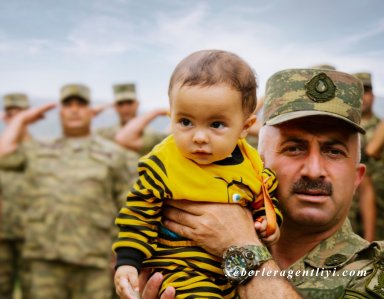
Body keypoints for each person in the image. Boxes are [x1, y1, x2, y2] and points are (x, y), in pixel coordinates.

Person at [141, 68, 384, 299]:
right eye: (294, 148)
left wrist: (243, 249)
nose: (314, 171)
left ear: (357, 178)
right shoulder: (193, 259)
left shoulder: (375, 268)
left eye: (333, 151)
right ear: (258, 166)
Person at [113, 50, 283, 299]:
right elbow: (138, 214)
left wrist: (270, 224)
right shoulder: (163, 164)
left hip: (235, 273)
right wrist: (128, 261)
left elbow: (265, 200)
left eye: (216, 125)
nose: (199, 137)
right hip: (180, 270)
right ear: (171, 117)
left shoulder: (253, 165)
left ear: (244, 128)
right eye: (185, 122)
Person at [0, 84, 134, 299]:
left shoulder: (113, 154)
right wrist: (22, 119)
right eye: (68, 105)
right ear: (60, 112)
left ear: (90, 111)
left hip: (93, 260)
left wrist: (122, 255)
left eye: (80, 104)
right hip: (44, 260)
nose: (74, 109)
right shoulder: (38, 150)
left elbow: (128, 208)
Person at [0, 93, 33, 299]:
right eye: (10, 114)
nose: (15, 118)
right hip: (0, 237)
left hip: (32, 238)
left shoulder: (42, 150)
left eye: (20, 114)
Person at [351, 72, 384, 241]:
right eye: (358, 92)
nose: (363, 97)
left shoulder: (381, 128)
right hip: (348, 213)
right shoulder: (341, 129)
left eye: (367, 91)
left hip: (380, 210)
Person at [96, 83, 168, 156]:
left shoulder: (153, 135)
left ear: (137, 104)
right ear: (114, 107)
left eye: (129, 103)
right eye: (120, 104)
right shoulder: (105, 134)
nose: (125, 108)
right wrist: (94, 112)